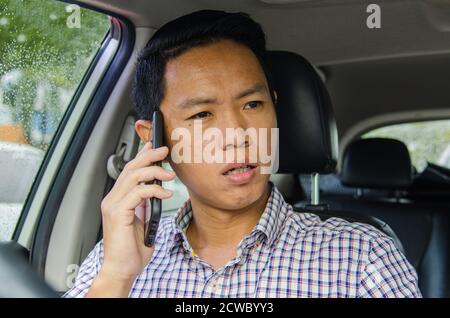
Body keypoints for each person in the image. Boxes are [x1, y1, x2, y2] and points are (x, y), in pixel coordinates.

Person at [64, 10, 421, 298]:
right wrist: (115, 279)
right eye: (202, 114)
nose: (237, 135)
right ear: (155, 138)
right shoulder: (114, 257)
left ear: (275, 111)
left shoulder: (362, 258)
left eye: (252, 104)